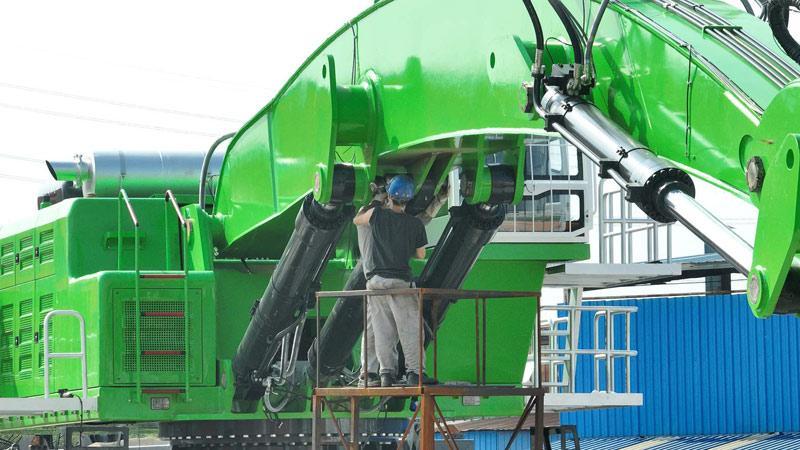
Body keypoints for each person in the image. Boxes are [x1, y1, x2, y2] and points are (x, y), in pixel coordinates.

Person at [357, 181, 448, 387]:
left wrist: (377, 200)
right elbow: (420, 251)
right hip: (399, 283)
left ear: (389, 196)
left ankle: (383, 374)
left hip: (375, 283)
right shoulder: (411, 223)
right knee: (411, 329)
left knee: (380, 330)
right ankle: (415, 373)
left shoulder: (374, 216)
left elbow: (358, 220)